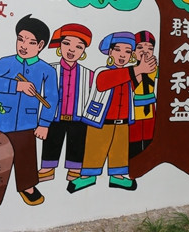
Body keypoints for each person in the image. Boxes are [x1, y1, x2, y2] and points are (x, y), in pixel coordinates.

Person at [0, 14, 59, 206]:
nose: (24, 45)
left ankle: (27, 186)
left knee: (26, 156)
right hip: (2, 120)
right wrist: (15, 86)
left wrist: (44, 124)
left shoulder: (46, 70)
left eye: (31, 42)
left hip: (27, 122)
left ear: (40, 45)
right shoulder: (6, 62)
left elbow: (51, 98)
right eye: (20, 39)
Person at [67, 32, 156, 193]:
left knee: (119, 150)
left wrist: (142, 70)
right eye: (118, 50)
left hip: (123, 121)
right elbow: (105, 82)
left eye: (127, 51)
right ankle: (88, 176)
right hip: (101, 121)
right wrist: (138, 69)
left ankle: (117, 176)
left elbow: (134, 86)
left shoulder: (130, 72)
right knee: (95, 148)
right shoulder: (103, 71)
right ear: (110, 52)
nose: (122, 55)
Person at [38, 23, 94, 183]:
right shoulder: (50, 70)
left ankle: (75, 169)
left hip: (78, 117)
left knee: (77, 143)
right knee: (51, 141)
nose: (71, 50)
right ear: (60, 46)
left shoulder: (88, 74)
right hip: (54, 116)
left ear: (83, 52)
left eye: (79, 47)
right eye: (67, 43)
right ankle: (47, 169)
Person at [129, 30, 158, 158]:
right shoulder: (130, 70)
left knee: (149, 137)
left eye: (149, 48)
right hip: (134, 108)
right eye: (140, 47)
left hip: (150, 107)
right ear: (133, 52)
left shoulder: (155, 69)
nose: (145, 52)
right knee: (133, 139)